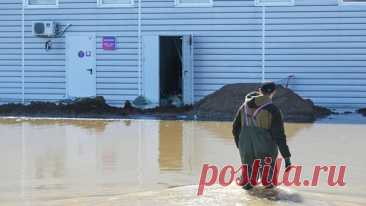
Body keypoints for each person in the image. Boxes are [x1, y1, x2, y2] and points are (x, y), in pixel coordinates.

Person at [232, 82, 292, 190]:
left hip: (246, 147)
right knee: (268, 183)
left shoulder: (243, 107)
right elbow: (279, 136)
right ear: (274, 92)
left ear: (260, 91)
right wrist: (286, 157)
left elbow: (235, 128)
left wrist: (240, 145)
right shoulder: (273, 109)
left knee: (247, 183)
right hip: (265, 148)